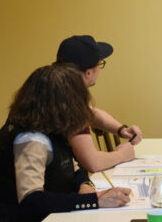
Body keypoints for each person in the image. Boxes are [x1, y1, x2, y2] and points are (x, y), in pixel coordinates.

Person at [0, 64, 131, 222]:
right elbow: (32, 201)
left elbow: (74, 167)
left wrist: (84, 184)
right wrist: (95, 200)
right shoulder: (31, 140)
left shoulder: (50, 127)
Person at [56, 35, 142, 172]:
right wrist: (121, 155)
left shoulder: (55, 88)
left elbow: (90, 112)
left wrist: (121, 130)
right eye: (100, 64)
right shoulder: (68, 103)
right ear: (88, 73)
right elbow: (93, 163)